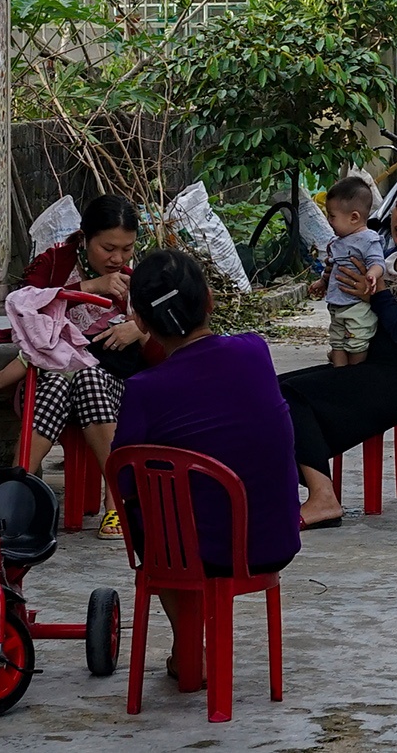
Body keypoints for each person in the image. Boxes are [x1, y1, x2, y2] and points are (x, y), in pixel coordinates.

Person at [111, 249, 300, 679]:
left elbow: (123, 477)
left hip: (194, 555)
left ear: (141, 323)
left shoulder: (144, 389)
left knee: (154, 505)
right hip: (272, 541)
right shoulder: (255, 351)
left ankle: (187, 649)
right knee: (193, 497)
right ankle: (189, 650)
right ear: (210, 300)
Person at [278, 176, 397, 527]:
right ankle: (280, 490)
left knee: (295, 397)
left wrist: (379, 296)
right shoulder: (388, 256)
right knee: (273, 389)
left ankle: (323, 499)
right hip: (372, 363)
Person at [0, 193, 147, 540]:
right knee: (58, 382)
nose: (118, 258)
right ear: (84, 237)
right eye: (108, 248)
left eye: (127, 249)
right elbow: (22, 308)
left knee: (88, 377)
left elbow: (167, 335)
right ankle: (17, 493)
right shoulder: (53, 263)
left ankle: (115, 502)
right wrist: (88, 287)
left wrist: (139, 329)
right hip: (50, 377)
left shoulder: (135, 281)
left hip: (110, 385)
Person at [306, 176, 386, 368]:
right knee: (337, 343)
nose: (328, 221)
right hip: (336, 305)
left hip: (357, 307)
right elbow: (333, 268)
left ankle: (354, 375)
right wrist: (322, 282)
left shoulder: (368, 239)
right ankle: (339, 376)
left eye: (332, 216)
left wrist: (372, 274)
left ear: (354, 217)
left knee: (357, 344)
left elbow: (378, 262)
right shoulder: (337, 242)